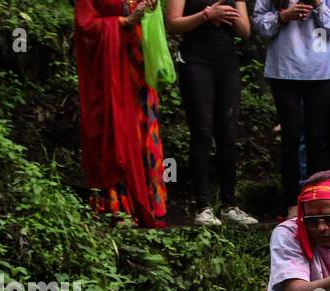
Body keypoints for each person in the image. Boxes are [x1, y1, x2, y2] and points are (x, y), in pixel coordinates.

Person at [74, 0, 168, 227]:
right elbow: (85, 25)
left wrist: (149, 7)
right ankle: (118, 207)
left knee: (144, 132)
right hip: (111, 71)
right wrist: (124, 21)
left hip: (140, 68)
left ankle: (149, 203)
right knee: (117, 131)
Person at [166, 0, 259, 227]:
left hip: (226, 61)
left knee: (228, 134)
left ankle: (229, 205)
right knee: (202, 132)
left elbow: (246, 31)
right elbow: (173, 24)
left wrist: (231, 16)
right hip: (196, 60)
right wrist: (207, 15)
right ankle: (202, 206)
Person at [254, 0, 330, 214]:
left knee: (317, 137)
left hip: (320, 71)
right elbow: (258, 23)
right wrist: (283, 17)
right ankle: (291, 202)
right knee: (291, 137)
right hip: (283, 70)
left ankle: (317, 200)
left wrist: (318, 5)